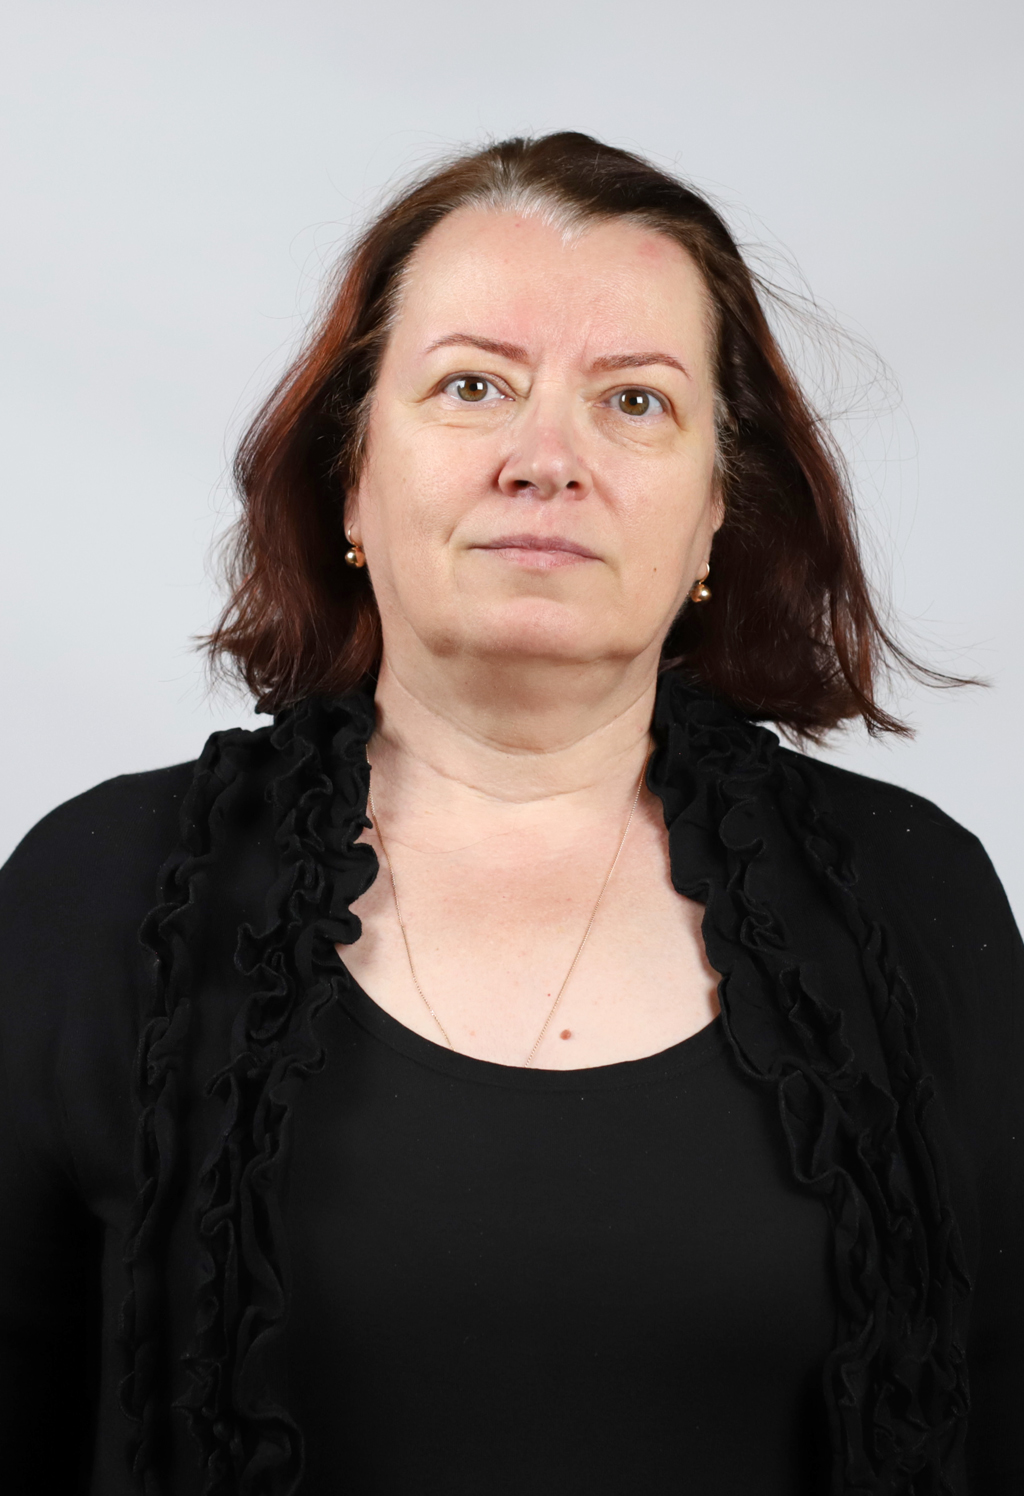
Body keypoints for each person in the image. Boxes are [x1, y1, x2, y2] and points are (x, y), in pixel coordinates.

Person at [0, 132, 1020, 1496]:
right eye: (473, 386)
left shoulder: (917, 903)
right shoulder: (95, 898)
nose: (548, 459)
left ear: (717, 508)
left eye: (636, 402)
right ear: (353, 476)